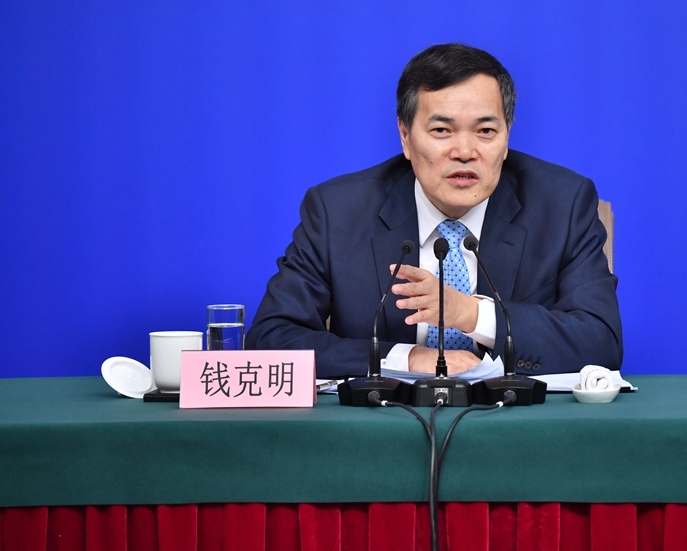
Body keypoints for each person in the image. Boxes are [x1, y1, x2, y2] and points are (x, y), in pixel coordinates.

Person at [246, 43, 623, 379]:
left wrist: (471, 314)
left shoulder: (562, 204)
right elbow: (271, 339)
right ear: (405, 137)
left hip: (515, 425)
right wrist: (406, 358)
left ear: (507, 137)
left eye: (485, 131)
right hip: (384, 425)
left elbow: (601, 342)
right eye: (442, 130)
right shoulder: (338, 212)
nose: (464, 152)